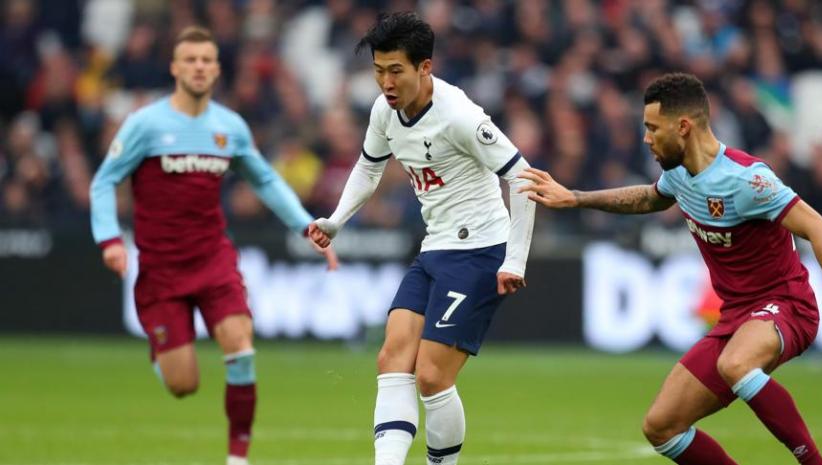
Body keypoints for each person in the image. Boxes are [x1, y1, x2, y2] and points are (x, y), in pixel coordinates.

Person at [519, 73, 822, 465]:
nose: (646, 139)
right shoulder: (679, 174)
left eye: (652, 128)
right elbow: (648, 198)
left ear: (683, 127)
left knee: (735, 364)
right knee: (661, 426)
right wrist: (574, 198)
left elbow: (819, 229)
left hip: (786, 304)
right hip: (736, 318)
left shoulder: (748, 179)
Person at [89, 26, 337, 465]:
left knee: (241, 344)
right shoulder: (146, 124)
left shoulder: (230, 127)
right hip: (162, 269)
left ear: (217, 68)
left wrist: (306, 226)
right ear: (175, 67)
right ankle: (162, 348)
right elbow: (104, 181)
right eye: (191, 60)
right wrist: (109, 239)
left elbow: (263, 178)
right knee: (183, 385)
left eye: (207, 60)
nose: (199, 67)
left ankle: (237, 459)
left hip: (213, 258)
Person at [307, 12, 536, 465]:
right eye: (378, 71)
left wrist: (516, 259)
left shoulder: (460, 117)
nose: (385, 83)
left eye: (396, 71)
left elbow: (523, 177)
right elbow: (370, 167)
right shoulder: (383, 112)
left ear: (424, 68)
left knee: (431, 376)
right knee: (392, 358)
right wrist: (336, 220)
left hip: (479, 251)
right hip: (435, 248)